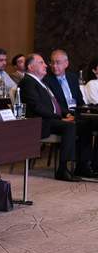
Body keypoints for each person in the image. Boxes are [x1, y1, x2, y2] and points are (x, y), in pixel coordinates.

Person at [18, 54, 94, 181]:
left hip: (50, 119)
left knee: (86, 125)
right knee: (69, 126)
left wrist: (67, 114)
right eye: (41, 63)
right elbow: (37, 107)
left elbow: (55, 104)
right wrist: (59, 118)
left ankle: (82, 165)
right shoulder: (27, 82)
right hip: (40, 122)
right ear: (31, 67)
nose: (46, 65)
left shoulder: (40, 82)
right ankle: (62, 169)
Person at [45, 49, 97, 177]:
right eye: (52, 63)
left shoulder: (72, 77)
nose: (54, 66)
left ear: (66, 64)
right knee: (77, 125)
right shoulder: (47, 80)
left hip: (76, 113)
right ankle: (67, 166)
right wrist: (67, 114)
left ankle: (83, 165)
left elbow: (79, 100)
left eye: (58, 62)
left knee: (89, 124)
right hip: (61, 116)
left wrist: (83, 111)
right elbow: (54, 104)